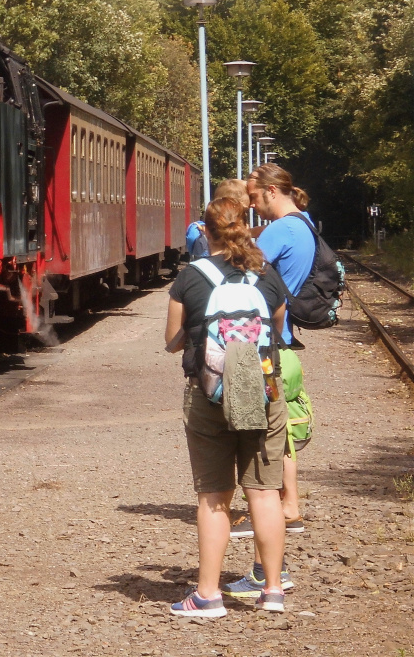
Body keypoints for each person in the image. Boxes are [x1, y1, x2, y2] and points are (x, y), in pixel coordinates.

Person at [165, 195, 289, 617]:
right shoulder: (265, 274)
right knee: (265, 492)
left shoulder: (191, 276)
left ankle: (207, 596)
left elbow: (171, 341)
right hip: (264, 394)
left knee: (214, 497)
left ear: (207, 229)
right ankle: (272, 591)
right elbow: (277, 327)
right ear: (244, 226)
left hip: (209, 396)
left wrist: (198, 331)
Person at [223, 163, 314, 592]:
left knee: (262, 474)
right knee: (279, 448)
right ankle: (283, 525)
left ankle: (267, 573)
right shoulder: (304, 223)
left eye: (255, 199)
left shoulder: (278, 231)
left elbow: (242, 267)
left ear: (271, 191)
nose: (253, 209)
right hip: (283, 348)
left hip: (263, 352)